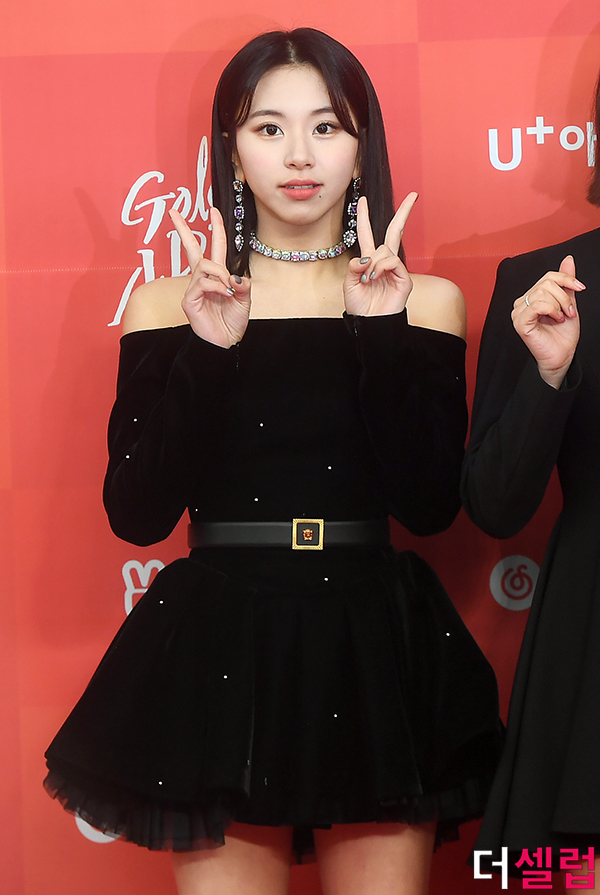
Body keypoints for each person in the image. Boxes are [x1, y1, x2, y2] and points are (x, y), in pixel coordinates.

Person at [44, 28, 502, 895]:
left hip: (373, 644)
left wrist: (379, 331)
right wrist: (208, 348)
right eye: (269, 128)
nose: (299, 155)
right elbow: (136, 514)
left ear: (362, 147)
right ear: (231, 150)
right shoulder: (167, 304)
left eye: (327, 127)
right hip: (221, 641)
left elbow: (429, 504)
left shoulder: (425, 301)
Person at [462, 65, 600, 887]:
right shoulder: (544, 283)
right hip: (590, 651)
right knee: (569, 870)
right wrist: (549, 376)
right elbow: (494, 504)